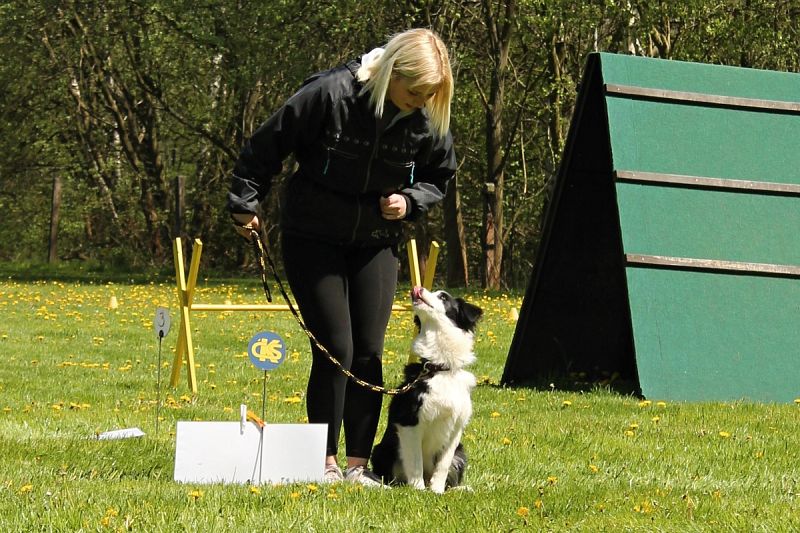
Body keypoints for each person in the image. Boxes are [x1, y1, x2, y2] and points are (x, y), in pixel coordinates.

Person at [228, 28, 456, 486]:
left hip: (375, 240)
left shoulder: (426, 118)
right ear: (391, 73)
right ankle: (324, 461)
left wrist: (410, 201)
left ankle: (358, 466)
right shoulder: (331, 95)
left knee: (369, 352)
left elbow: (440, 175)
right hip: (313, 235)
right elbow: (266, 144)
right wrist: (244, 201)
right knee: (337, 348)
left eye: (429, 95)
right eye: (413, 92)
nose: (419, 102)